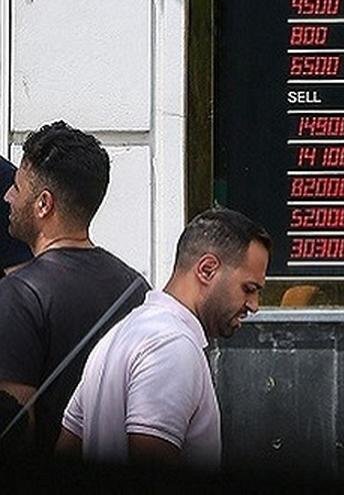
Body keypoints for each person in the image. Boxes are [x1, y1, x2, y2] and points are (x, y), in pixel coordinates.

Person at [57, 207, 270, 468]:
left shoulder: (119, 335)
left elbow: (67, 446)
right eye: (249, 289)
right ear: (207, 270)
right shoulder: (172, 345)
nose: (254, 305)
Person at [0, 122, 149, 457]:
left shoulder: (18, 296)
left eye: (17, 187)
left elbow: (15, 432)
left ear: (43, 204)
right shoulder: (137, 290)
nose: (8, 196)